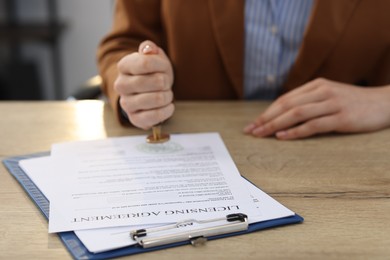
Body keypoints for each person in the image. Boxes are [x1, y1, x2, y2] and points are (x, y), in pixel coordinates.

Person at [97, 0, 390, 140]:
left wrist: (384, 100)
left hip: (345, 158)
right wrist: (136, 84)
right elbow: (124, 43)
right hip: (190, 149)